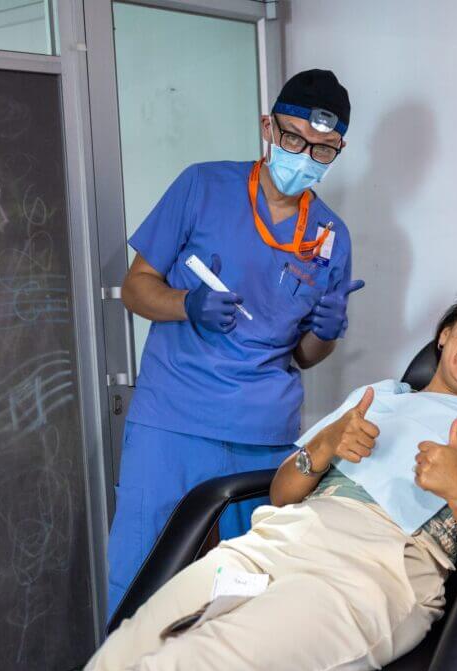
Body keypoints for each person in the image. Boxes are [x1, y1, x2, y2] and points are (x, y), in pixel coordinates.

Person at [69, 287, 457, 671]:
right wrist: (322, 447)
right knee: (126, 649)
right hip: (275, 543)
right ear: (446, 335)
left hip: (370, 576)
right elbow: (282, 494)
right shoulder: (378, 396)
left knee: (180, 669)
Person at [108, 69, 363, 619]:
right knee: (143, 578)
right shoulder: (201, 186)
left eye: (323, 149)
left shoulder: (331, 235)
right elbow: (135, 288)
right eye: (294, 138)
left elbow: (303, 356)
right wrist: (186, 304)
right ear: (268, 127)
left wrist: (327, 328)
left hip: (264, 437)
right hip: (174, 423)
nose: (304, 156)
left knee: (242, 591)